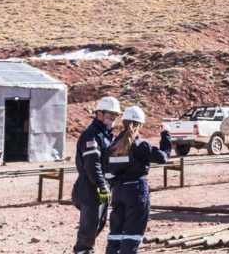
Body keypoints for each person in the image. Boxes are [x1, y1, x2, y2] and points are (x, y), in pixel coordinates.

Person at [103, 105, 171, 254]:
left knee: (115, 234)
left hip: (118, 192)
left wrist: (116, 185)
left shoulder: (113, 145)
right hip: (136, 192)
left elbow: (107, 172)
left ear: (124, 122)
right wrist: (166, 136)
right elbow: (163, 158)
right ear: (140, 124)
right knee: (132, 235)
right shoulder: (140, 144)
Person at [73, 96, 122, 254]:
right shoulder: (92, 135)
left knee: (98, 224)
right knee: (89, 228)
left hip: (100, 187)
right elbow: (92, 164)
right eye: (109, 115)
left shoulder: (105, 135)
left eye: (115, 115)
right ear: (99, 114)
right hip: (89, 188)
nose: (113, 118)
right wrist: (101, 186)